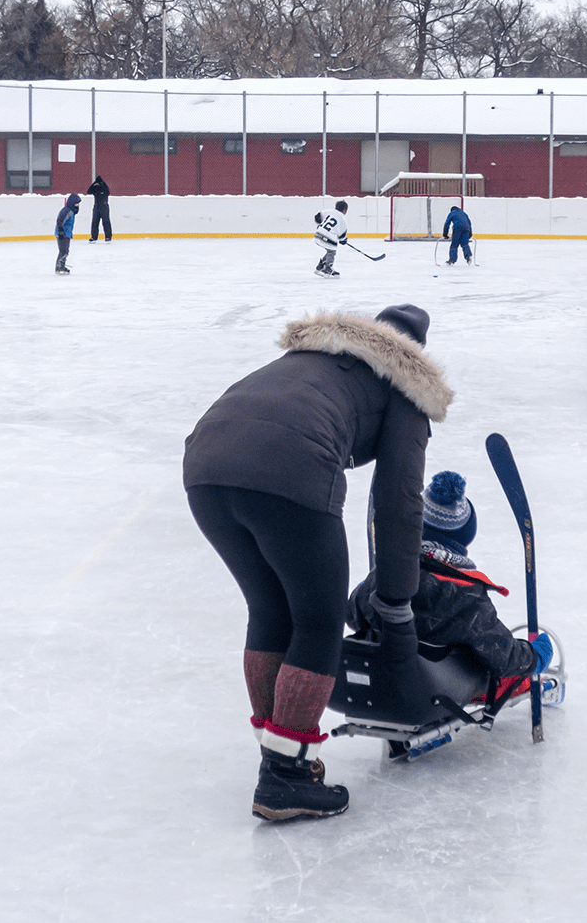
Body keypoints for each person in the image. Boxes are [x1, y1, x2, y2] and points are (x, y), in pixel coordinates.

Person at [183, 305, 453, 822]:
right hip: (289, 469)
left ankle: (278, 755)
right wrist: (396, 599)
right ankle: (285, 777)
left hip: (204, 468)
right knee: (319, 620)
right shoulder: (404, 388)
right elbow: (400, 502)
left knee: (270, 608)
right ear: (414, 353)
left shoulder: (313, 355)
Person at [346, 471, 555, 708]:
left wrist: (368, 585)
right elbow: (502, 657)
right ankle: (543, 684)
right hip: (440, 692)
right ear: (464, 537)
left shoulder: (388, 574)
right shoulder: (467, 594)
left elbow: (353, 617)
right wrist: (535, 657)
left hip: (385, 681)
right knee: (503, 678)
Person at [314, 200, 349, 278]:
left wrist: (320, 225)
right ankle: (328, 269)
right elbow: (342, 236)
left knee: (330, 250)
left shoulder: (328, 211)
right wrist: (344, 240)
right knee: (332, 251)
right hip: (328, 238)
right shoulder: (343, 219)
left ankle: (320, 266)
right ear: (344, 210)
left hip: (318, 235)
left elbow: (317, 217)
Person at [54, 192, 80, 274]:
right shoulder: (66, 211)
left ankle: (61, 265)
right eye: (76, 203)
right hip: (62, 234)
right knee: (63, 251)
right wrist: (61, 231)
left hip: (66, 234)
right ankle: (59, 267)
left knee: (65, 250)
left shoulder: (71, 211)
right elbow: (59, 221)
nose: (78, 205)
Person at [85, 174, 113, 242]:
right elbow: (88, 192)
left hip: (104, 207)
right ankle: (94, 237)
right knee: (94, 222)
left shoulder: (104, 186)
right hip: (97, 207)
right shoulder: (95, 188)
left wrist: (101, 184)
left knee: (106, 222)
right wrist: (94, 184)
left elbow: (107, 192)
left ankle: (108, 236)